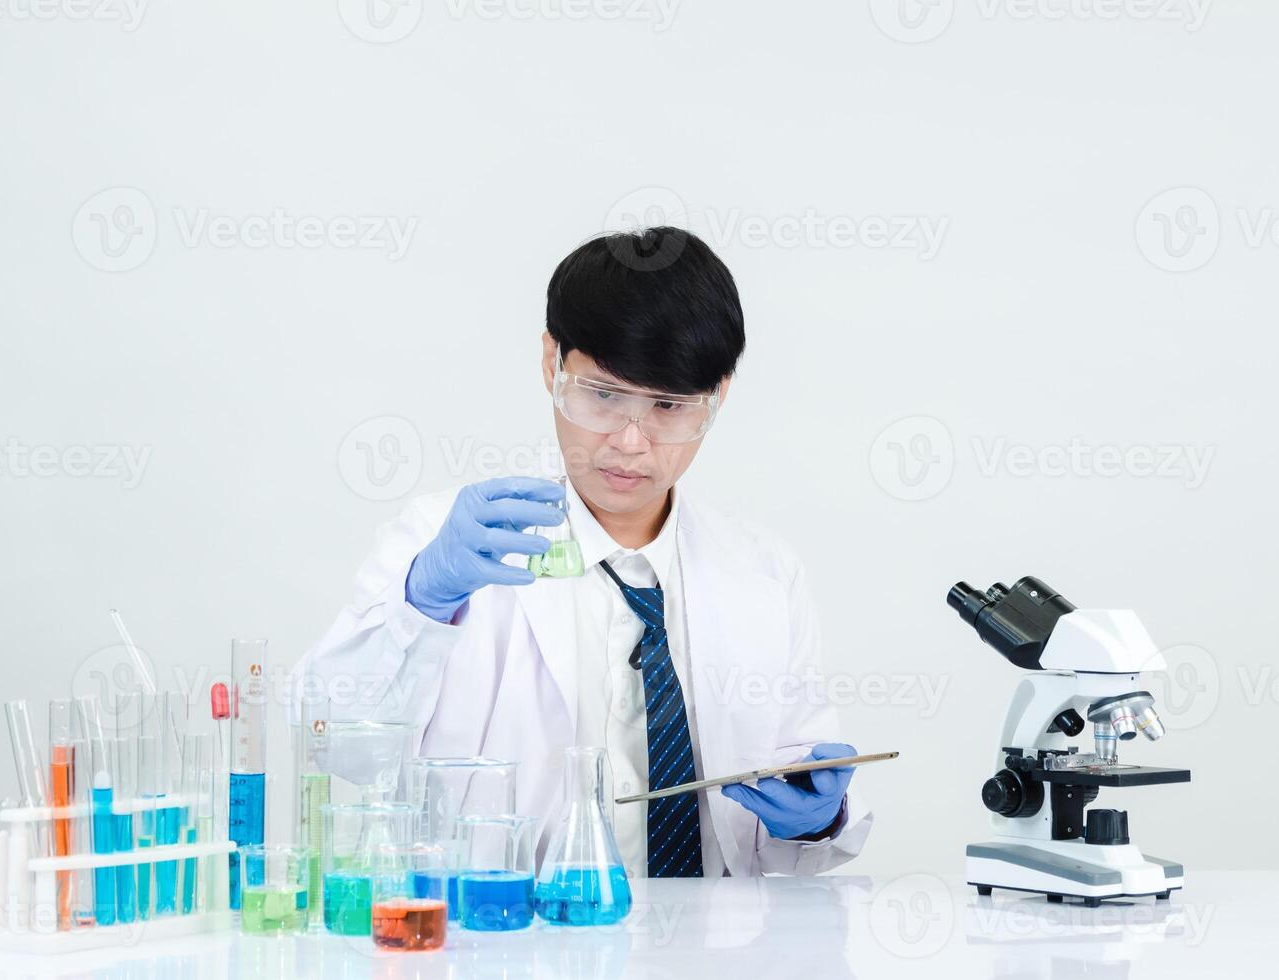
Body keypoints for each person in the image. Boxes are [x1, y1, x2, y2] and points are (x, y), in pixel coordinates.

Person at [294, 227, 871, 878]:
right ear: (552, 364)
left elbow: (801, 802)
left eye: (668, 406)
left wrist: (818, 817)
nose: (629, 441)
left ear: (719, 394)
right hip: (505, 949)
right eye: (601, 395)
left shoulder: (764, 573)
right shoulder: (441, 540)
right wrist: (422, 602)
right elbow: (336, 744)